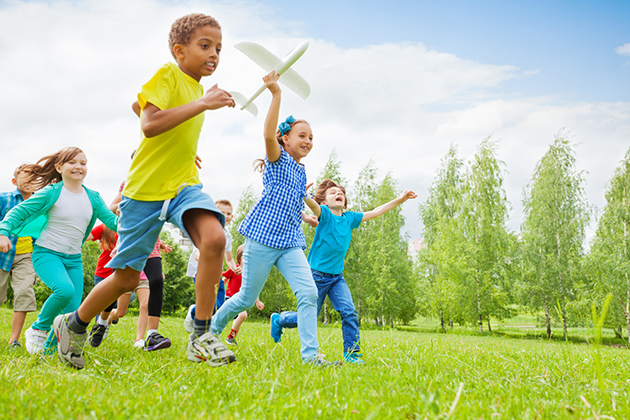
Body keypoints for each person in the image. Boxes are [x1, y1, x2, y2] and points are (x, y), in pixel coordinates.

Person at [53, 13, 236, 370]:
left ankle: (200, 335)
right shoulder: (170, 75)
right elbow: (149, 122)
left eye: (218, 48)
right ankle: (73, 324)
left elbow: (141, 109)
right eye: (205, 46)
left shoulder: (196, 89)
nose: (214, 53)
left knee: (215, 238)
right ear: (178, 50)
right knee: (124, 278)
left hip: (183, 185)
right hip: (145, 192)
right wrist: (199, 107)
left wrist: (181, 145)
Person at [211, 70, 336, 366]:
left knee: (308, 293)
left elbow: (291, 200)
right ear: (285, 138)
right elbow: (267, 134)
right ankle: (210, 330)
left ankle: (310, 357)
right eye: (302, 136)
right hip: (263, 237)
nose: (308, 141)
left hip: (290, 241)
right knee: (244, 298)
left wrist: (307, 218)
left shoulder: (301, 171)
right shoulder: (277, 158)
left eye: (311, 138)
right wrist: (276, 94)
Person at [271, 179, 417, 363]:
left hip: (336, 278)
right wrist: (304, 194)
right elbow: (311, 205)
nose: (338, 193)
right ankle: (280, 319)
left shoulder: (350, 219)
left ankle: (352, 354)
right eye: (332, 192)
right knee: (307, 317)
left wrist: (400, 199)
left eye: (340, 192)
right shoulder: (323, 214)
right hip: (316, 276)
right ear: (324, 202)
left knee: (349, 312)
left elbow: (376, 211)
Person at [0, 147, 118, 355]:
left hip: (73, 259)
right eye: (72, 162)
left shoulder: (93, 197)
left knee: (72, 310)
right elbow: (19, 211)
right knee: (64, 290)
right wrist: (3, 231)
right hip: (47, 253)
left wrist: (148, 235)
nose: (78, 166)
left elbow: (113, 222)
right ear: (59, 167)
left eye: (83, 163)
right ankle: (38, 328)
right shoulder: (52, 192)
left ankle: (49, 352)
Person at [184, 199, 240, 332]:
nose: (225, 216)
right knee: (209, 304)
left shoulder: (227, 236)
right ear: (214, 213)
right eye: (222, 212)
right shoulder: (207, 231)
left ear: (231, 217)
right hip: (201, 272)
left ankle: (203, 323)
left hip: (216, 274)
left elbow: (229, 259)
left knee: (219, 307)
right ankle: (194, 313)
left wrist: (235, 268)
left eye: (228, 214)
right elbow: (198, 255)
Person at [0, 165, 38, 349]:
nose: (31, 183)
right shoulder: (4, 199)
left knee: (24, 292)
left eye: (34, 180)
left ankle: (13, 340)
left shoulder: (41, 204)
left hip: (26, 255)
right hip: (2, 254)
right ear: (15, 182)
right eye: (26, 179)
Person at [222, 245, 264, 345]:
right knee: (243, 315)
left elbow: (253, 288)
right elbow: (225, 279)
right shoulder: (234, 269)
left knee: (239, 321)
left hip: (241, 299)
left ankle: (231, 340)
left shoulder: (250, 273)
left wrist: (257, 301)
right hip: (231, 297)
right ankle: (229, 337)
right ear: (239, 259)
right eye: (245, 256)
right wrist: (216, 289)